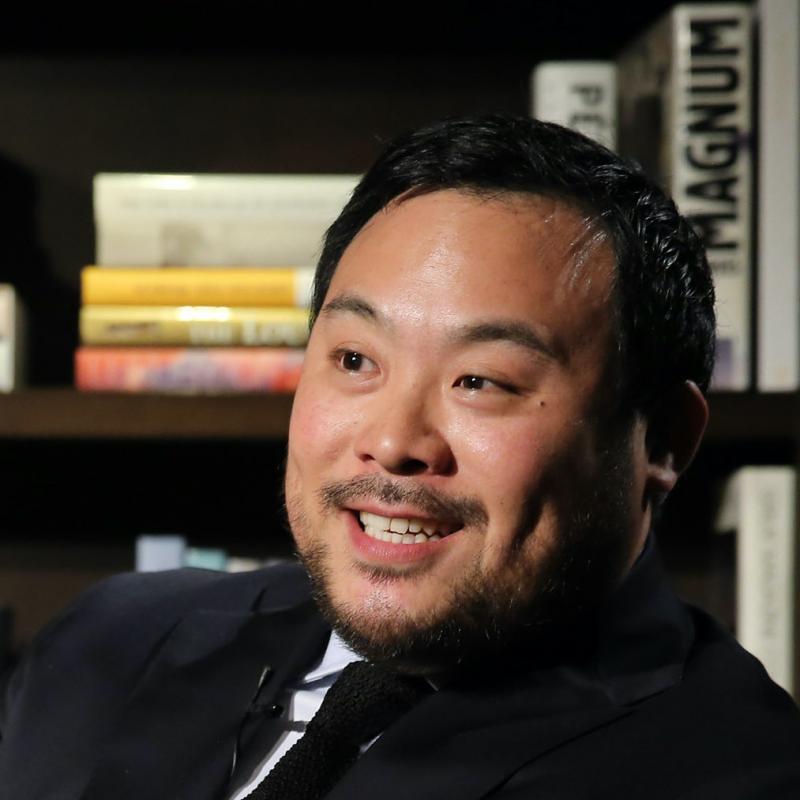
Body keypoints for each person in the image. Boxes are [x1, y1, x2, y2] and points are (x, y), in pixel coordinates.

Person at [2, 112, 799, 799]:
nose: (392, 442)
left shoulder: (734, 770)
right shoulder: (107, 643)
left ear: (662, 439)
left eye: (480, 380)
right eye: (354, 361)